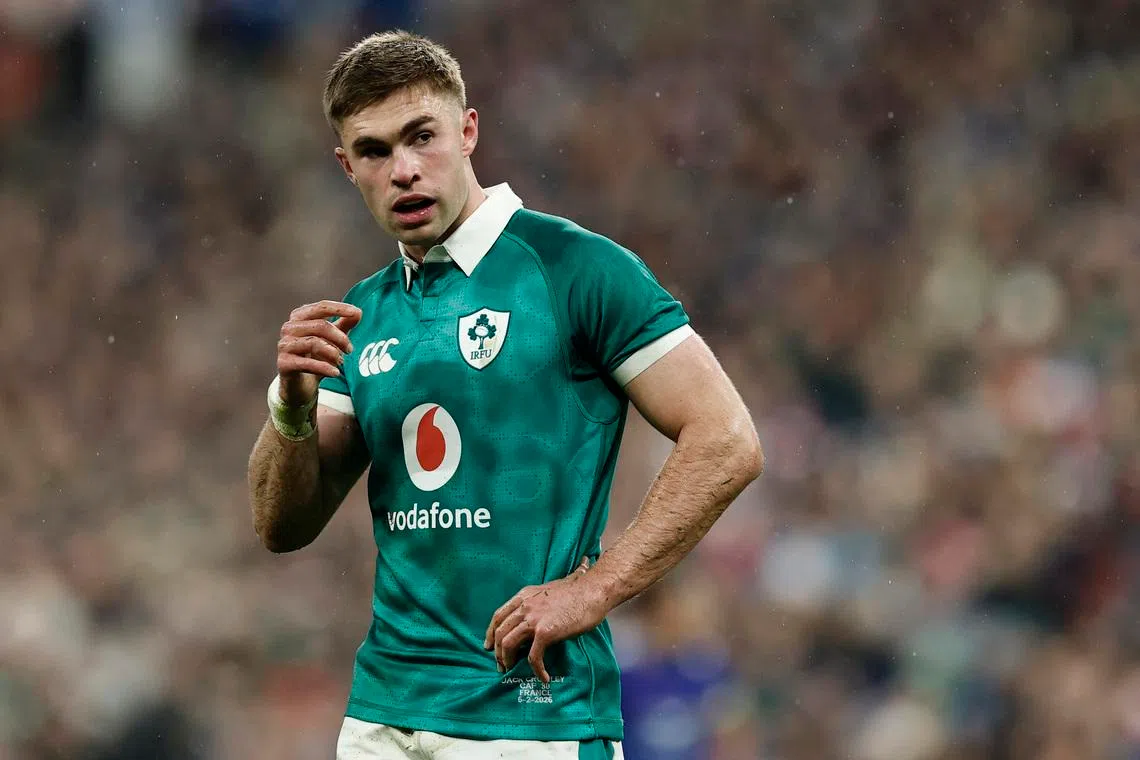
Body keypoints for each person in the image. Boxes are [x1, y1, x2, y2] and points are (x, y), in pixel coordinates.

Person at [246, 30, 763, 760]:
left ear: (468, 130)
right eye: (374, 151)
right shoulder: (361, 317)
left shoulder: (576, 269)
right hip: (381, 719)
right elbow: (281, 524)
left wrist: (596, 588)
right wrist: (290, 409)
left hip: (532, 717)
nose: (403, 170)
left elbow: (728, 438)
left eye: (421, 137)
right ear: (346, 166)